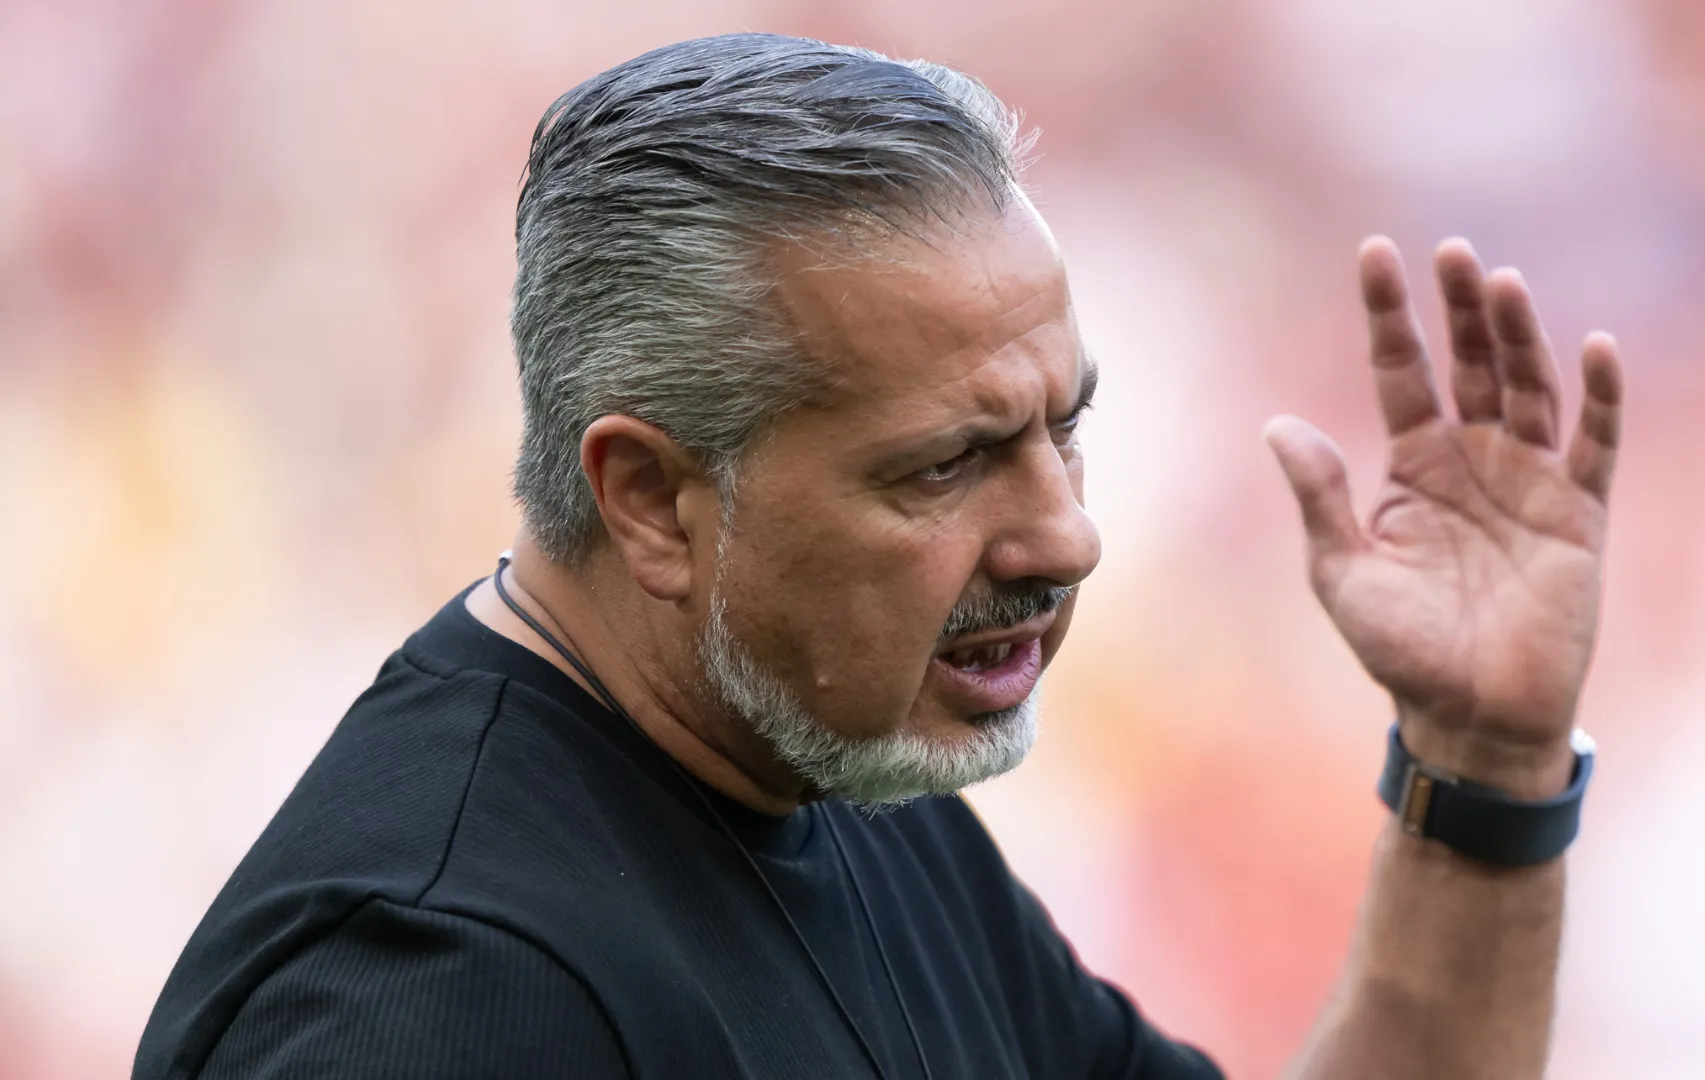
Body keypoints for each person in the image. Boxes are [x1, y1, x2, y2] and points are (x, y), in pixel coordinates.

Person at [132, 32, 1624, 1080]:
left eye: (1065, 428)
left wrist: (1481, 758)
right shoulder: (437, 989)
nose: (1067, 534)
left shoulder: (838, 761)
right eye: (949, 463)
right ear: (651, 499)